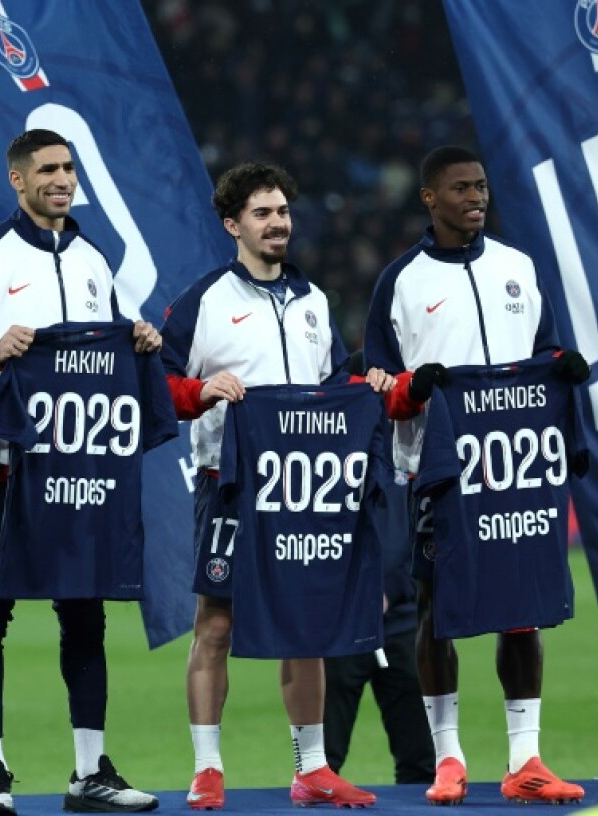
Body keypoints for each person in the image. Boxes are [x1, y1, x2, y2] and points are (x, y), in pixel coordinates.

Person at [0, 128, 162, 816]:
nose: (61, 178)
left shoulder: (92, 259)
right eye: (47, 168)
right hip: (5, 477)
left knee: (85, 618)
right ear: (17, 180)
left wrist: (138, 340)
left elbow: (107, 365)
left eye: (68, 167)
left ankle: (89, 774)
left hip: (82, 476)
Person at [363, 145, 591, 806]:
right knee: (438, 610)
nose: (476, 197)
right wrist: (414, 389)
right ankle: (449, 757)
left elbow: (543, 353)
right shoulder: (400, 283)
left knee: (523, 613)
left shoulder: (518, 267)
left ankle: (526, 758)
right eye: (461, 187)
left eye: (481, 186)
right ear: (429, 198)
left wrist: (563, 367)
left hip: (517, 469)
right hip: (441, 472)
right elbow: (378, 386)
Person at [161, 162, 391, 810]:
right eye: (263, 213)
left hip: (306, 491)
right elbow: (159, 385)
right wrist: (200, 390)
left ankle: (312, 768)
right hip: (231, 488)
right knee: (216, 623)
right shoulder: (205, 300)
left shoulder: (314, 302)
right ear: (233, 224)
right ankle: (207, 769)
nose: (277, 223)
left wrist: (363, 388)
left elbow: (335, 387)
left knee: (308, 623)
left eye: (283, 211)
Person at [322, 355, 435, 787]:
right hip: (344, 621)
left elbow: (424, 532)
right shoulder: (329, 452)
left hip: (404, 622)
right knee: (322, 764)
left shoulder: (413, 441)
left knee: (421, 761)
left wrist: (397, 587)